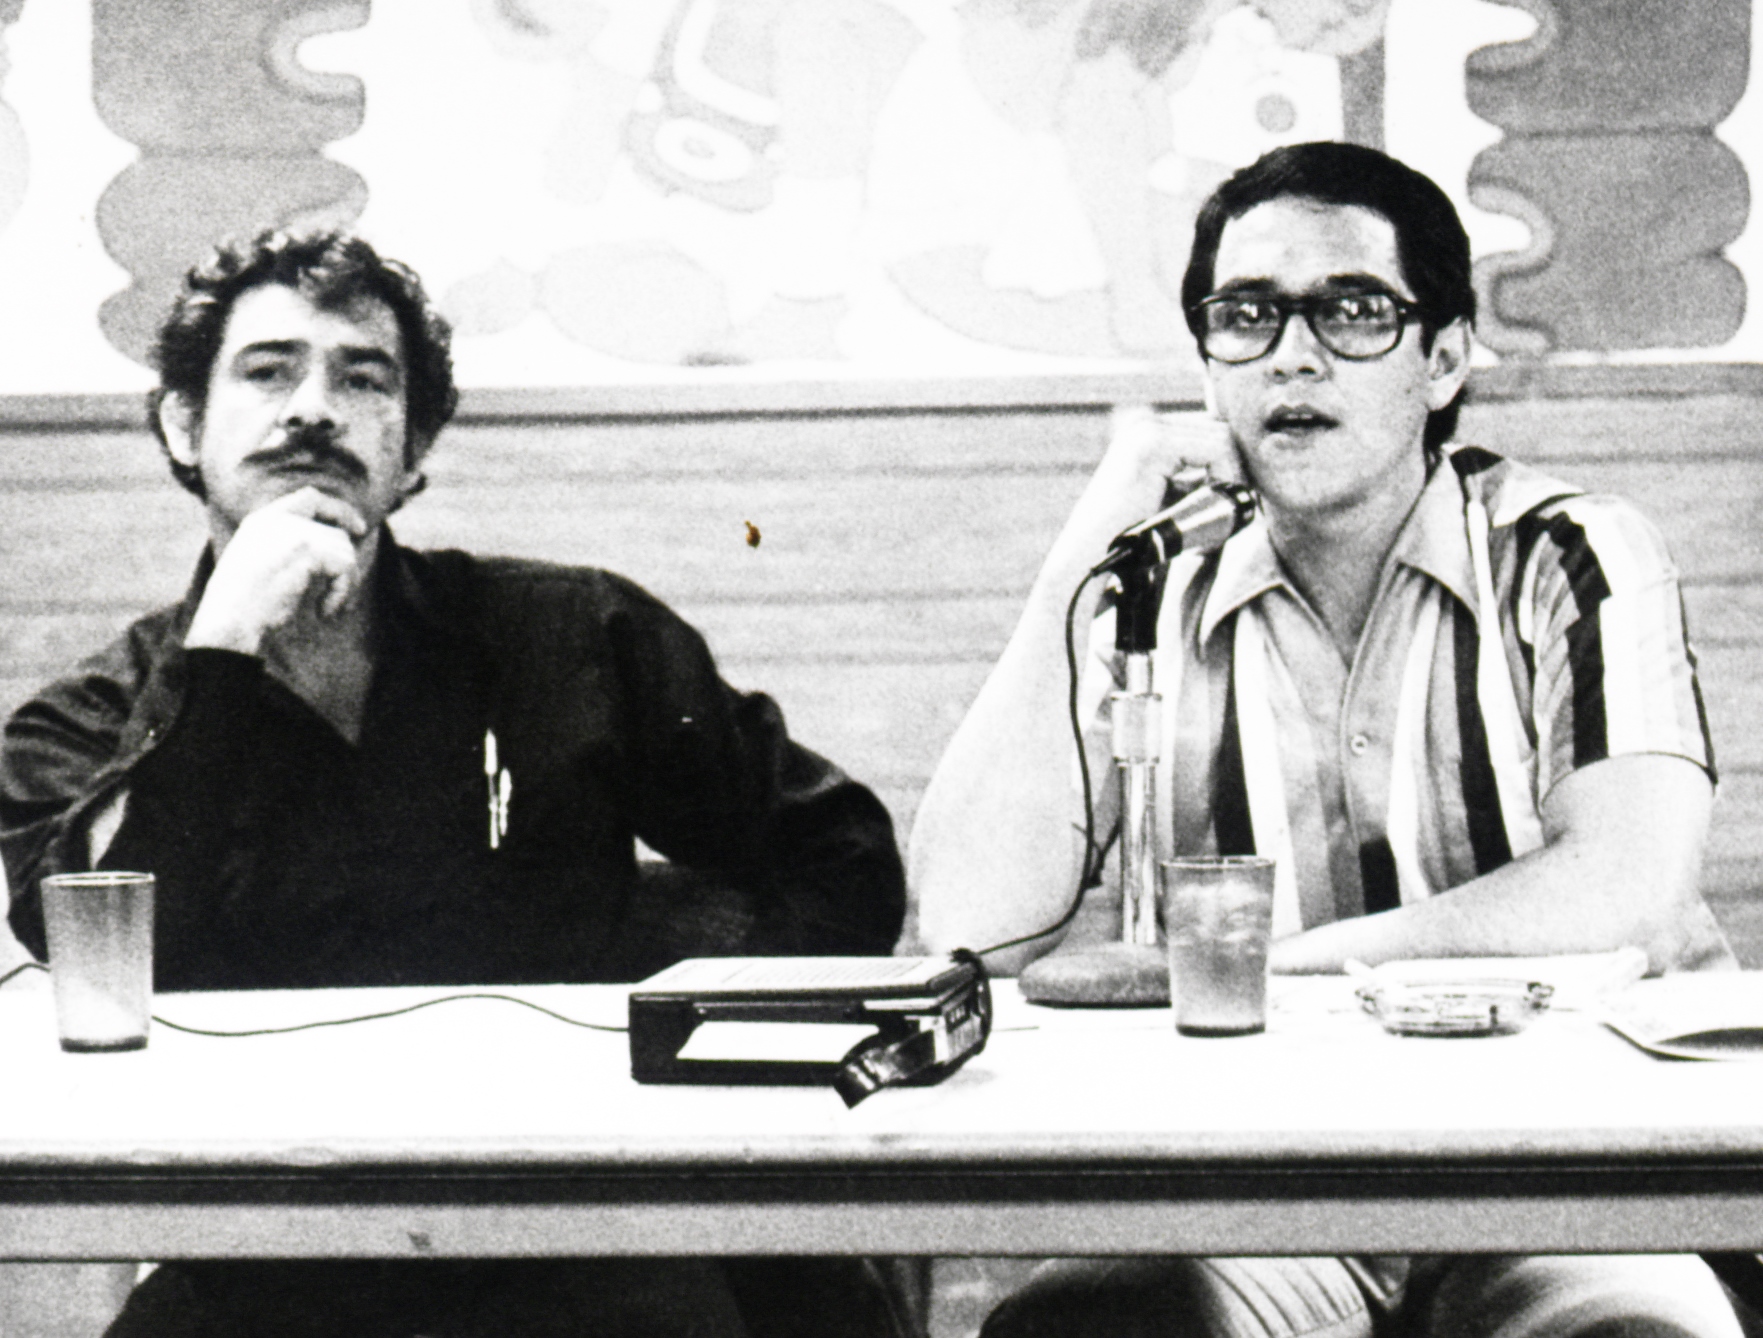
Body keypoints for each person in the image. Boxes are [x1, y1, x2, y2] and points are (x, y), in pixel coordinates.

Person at [905, 141, 1748, 1338]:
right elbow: (970, 923)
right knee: (1087, 1323)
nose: (1292, 354)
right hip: (1263, 1186)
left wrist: (1285, 965)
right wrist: (1076, 563)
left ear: (1442, 359)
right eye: (1245, 315)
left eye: (1351, 312)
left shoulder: (1565, 553)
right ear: (1208, 362)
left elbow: (1623, 885)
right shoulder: (1153, 590)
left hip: (1558, 1175)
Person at [0, 228, 908, 1338]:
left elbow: (842, 860)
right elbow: (103, 958)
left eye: (363, 378)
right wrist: (222, 652)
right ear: (184, 425)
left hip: (588, 1230)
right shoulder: (84, 718)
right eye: (269, 370)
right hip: (276, 1256)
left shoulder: (574, 633)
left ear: (415, 444)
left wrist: (680, 1056)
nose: (315, 409)